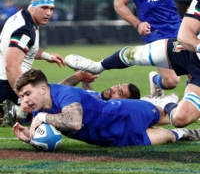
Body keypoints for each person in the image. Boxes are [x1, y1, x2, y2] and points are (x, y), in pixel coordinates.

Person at [65, 0, 200, 128]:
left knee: (180, 119)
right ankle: (97, 66)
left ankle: (165, 104)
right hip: (188, 51)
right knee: (134, 55)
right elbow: (184, 34)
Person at [12, 69, 200, 148]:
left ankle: (168, 101)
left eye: (27, 94)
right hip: (115, 139)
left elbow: (74, 122)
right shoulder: (40, 105)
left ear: (43, 89)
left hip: (126, 112)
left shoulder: (60, 99)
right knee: (169, 136)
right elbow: (48, 130)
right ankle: (185, 133)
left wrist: (43, 117)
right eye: (21, 96)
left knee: (169, 117)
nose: (25, 101)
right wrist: (30, 138)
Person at [113, 0, 199, 96]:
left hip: (178, 29)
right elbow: (119, 4)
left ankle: (188, 107)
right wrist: (138, 24)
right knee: (172, 81)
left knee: (192, 71)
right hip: (155, 33)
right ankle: (155, 80)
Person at [0, 0, 65, 122]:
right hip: (9, 83)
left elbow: (25, 49)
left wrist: (47, 56)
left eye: (51, 9)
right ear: (33, 6)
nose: (48, 13)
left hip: (7, 81)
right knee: (50, 110)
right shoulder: (25, 30)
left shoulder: (22, 16)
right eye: (44, 8)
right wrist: (24, 97)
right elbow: (11, 66)